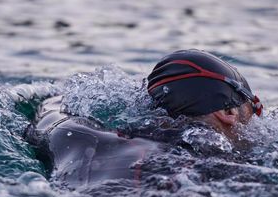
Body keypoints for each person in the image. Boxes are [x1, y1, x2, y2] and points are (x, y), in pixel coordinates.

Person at [24, 49, 262, 188]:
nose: (256, 122)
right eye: (254, 110)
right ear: (228, 113)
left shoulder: (84, 136)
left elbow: (51, 106)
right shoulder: (227, 165)